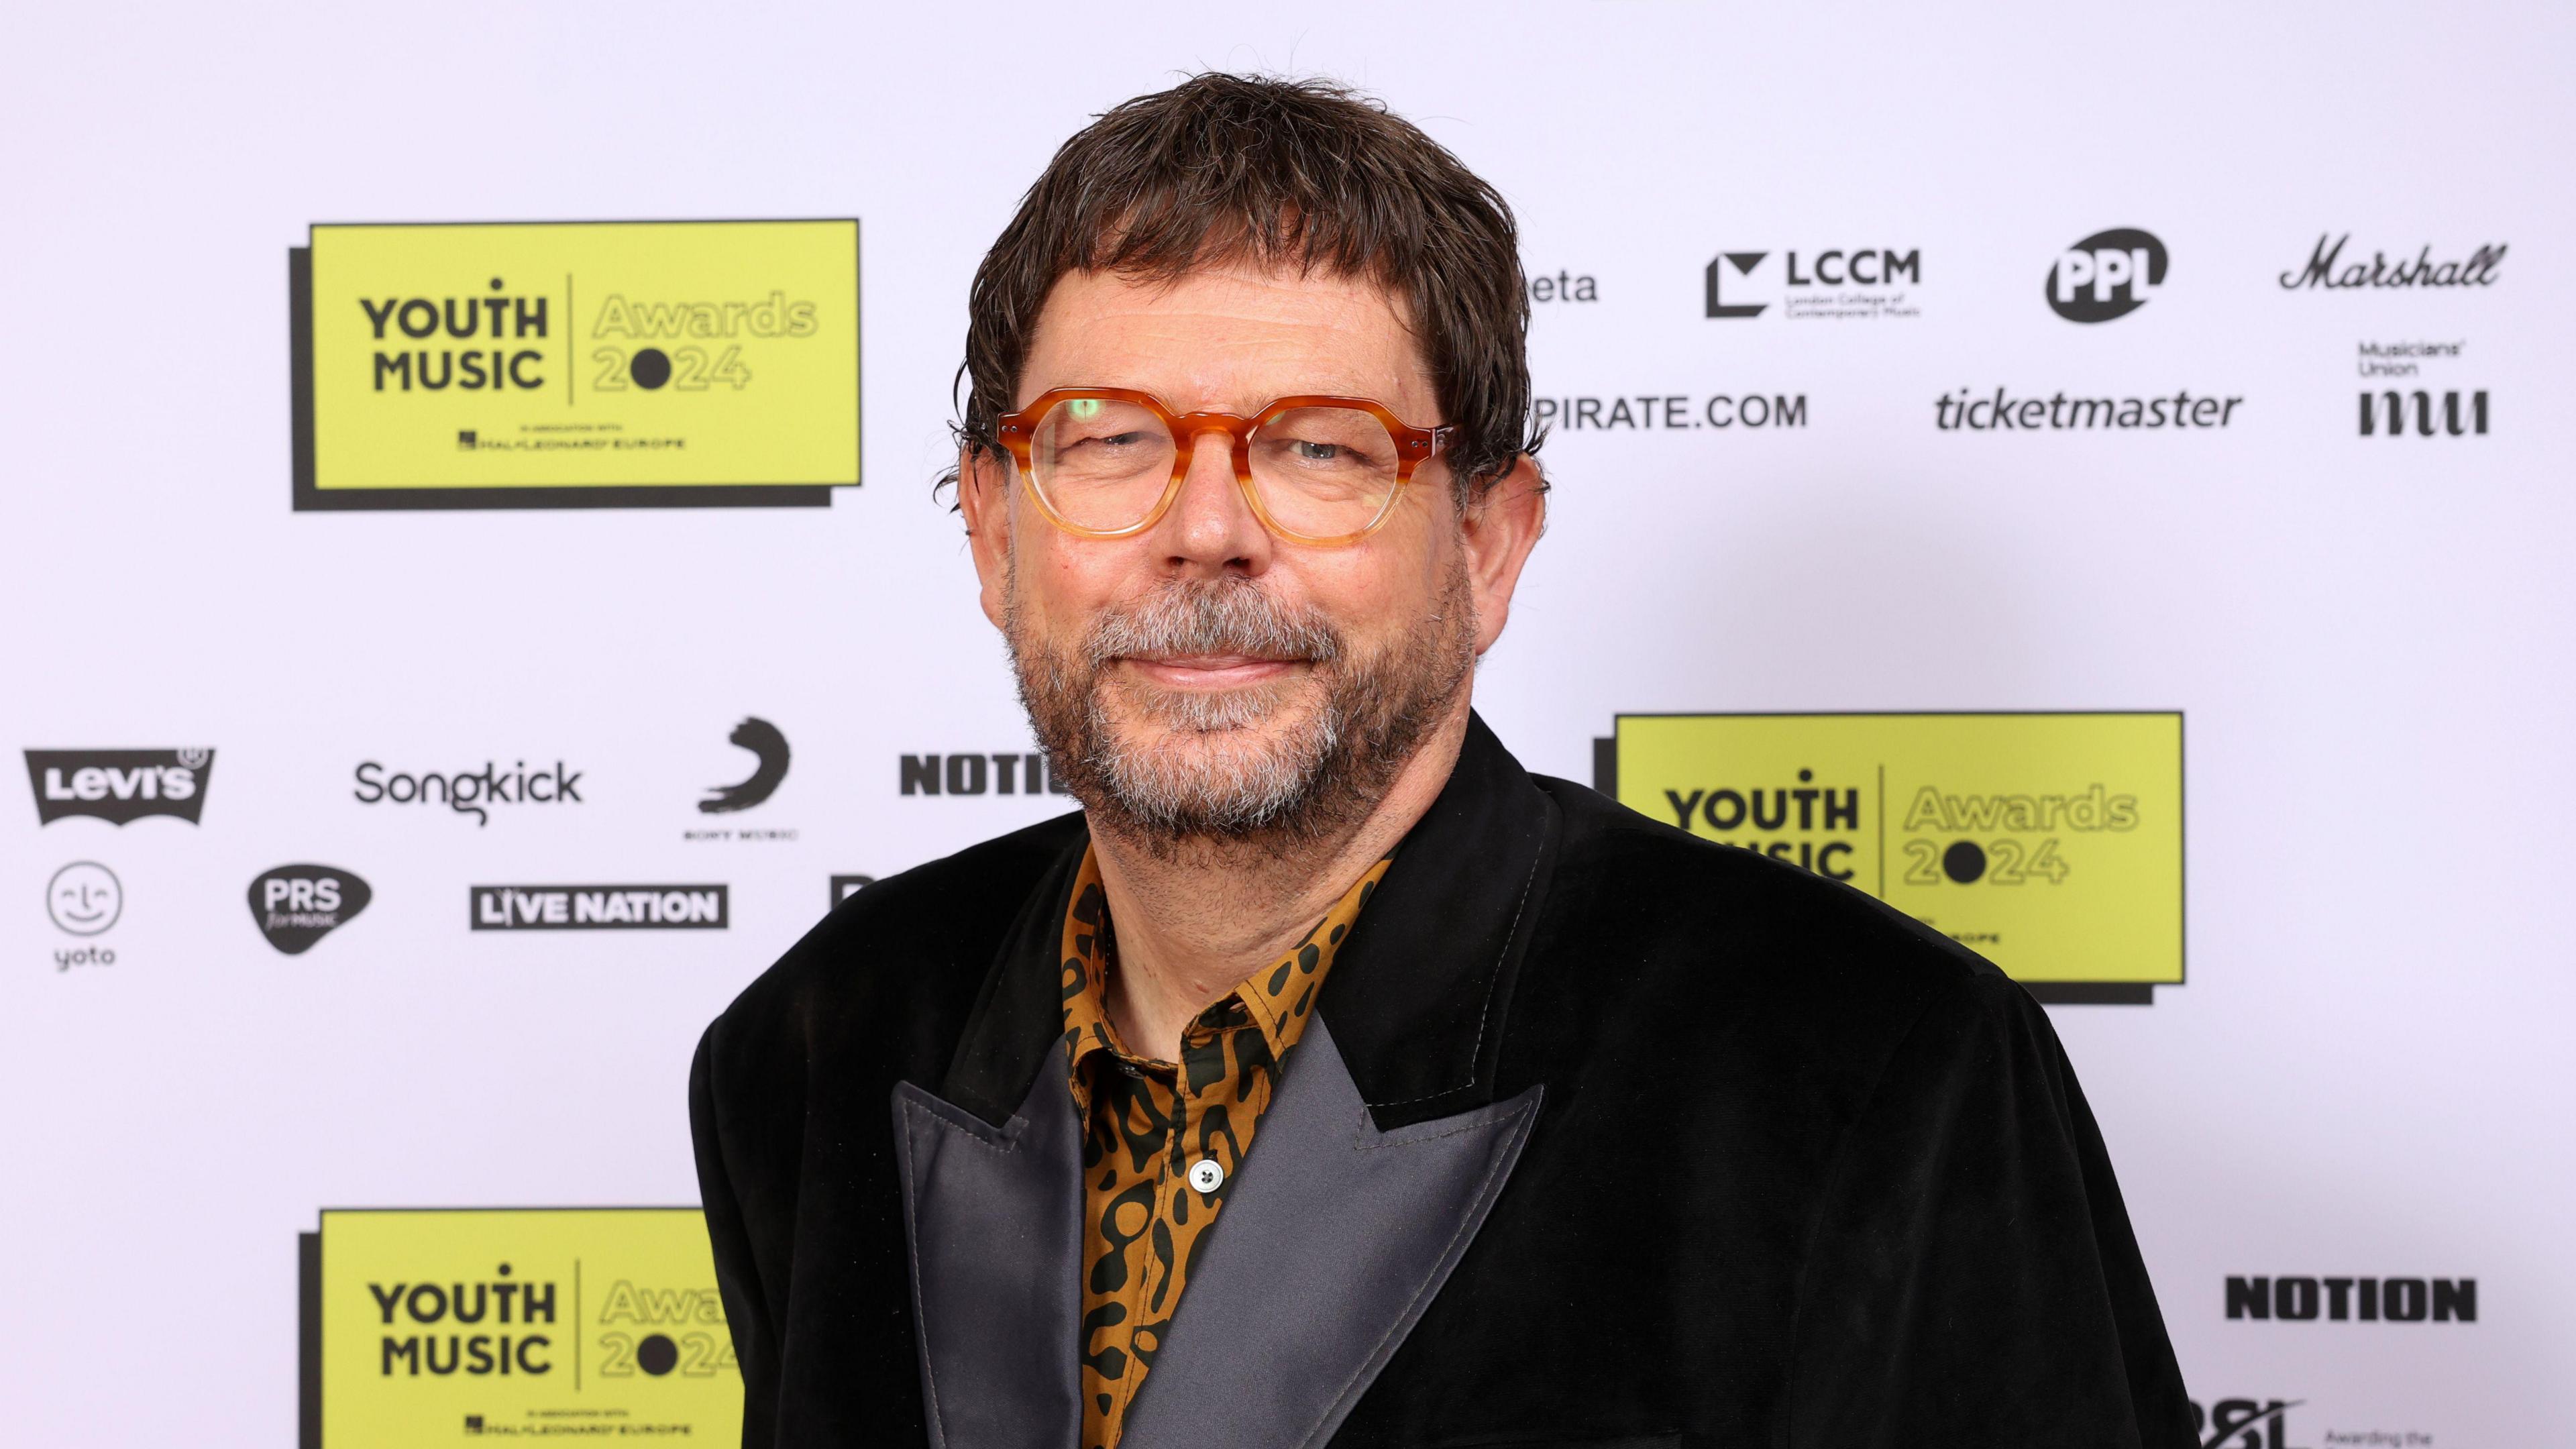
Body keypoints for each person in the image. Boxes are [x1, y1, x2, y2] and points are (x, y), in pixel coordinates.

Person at [690, 72, 2193, 1449]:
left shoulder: (1870, 1073)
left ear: (1486, 542)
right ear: (998, 528)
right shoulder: (817, 1049)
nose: (1205, 528)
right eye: (1112, 443)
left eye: (1321, 450)